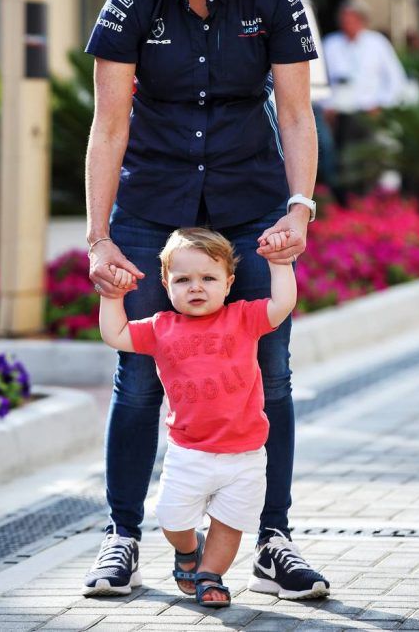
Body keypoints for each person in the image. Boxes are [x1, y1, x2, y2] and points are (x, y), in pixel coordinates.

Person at [83, 0, 329, 601]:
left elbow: (294, 112)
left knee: (267, 374)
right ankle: (122, 535)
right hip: (152, 208)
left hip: (251, 205)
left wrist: (298, 207)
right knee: (139, 379)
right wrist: (98, 237)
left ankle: (272, 537)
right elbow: (109, 124)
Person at [98, 227, 297, 606]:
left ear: (228, 283)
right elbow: (116, 334)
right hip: (189, 453)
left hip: (245, 453)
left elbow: (282, 304)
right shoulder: (160, 327)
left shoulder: (244, 317)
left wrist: (280, 263)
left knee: (230, 523)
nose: (196, 287)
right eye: (183, 279)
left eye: (208, 278)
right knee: (172, 520)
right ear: (165, 283)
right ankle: (189, 552)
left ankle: (211, 576)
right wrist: (113, 296)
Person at [323, 0, 407, 110]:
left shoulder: (377, 42)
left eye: (352, 20)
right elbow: (321, 81)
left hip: (371, 111)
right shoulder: (330, 43)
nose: (347, 24)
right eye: (345, 20)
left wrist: (382, 104)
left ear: (362, 21)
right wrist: (326, 105)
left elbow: (396, 77)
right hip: (337, 111)